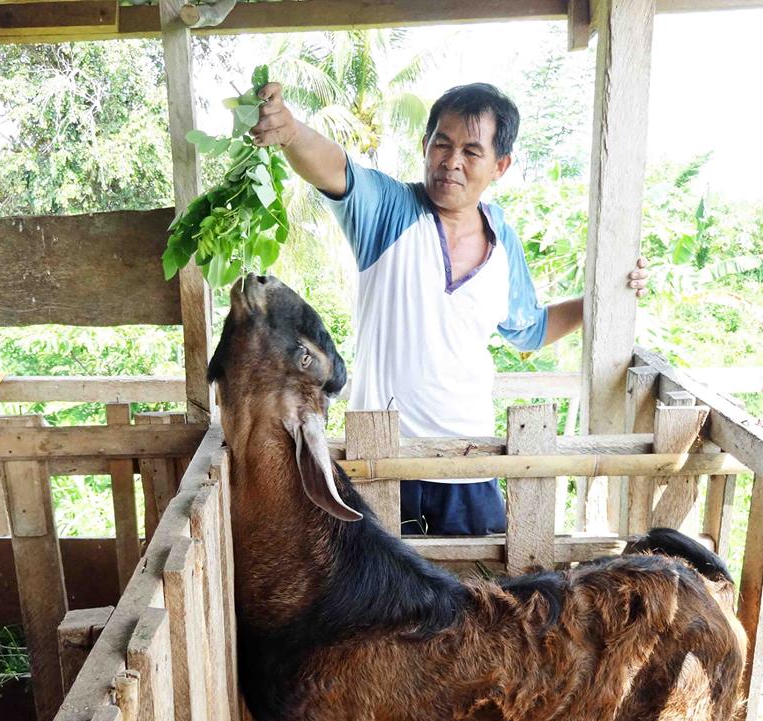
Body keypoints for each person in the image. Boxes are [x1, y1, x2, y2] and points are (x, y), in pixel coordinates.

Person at [251, 82, 647, 536]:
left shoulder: (503, 242)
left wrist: (601, 299)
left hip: (468, 465)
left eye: (471, 151)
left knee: (479, 596)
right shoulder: (389, 211)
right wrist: (291, 132)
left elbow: (530, 330)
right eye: (442, 143)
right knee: (375, 602)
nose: (451, 161)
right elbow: (336, 168)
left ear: (500, 165)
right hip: (383, 459)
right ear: (425, 145)